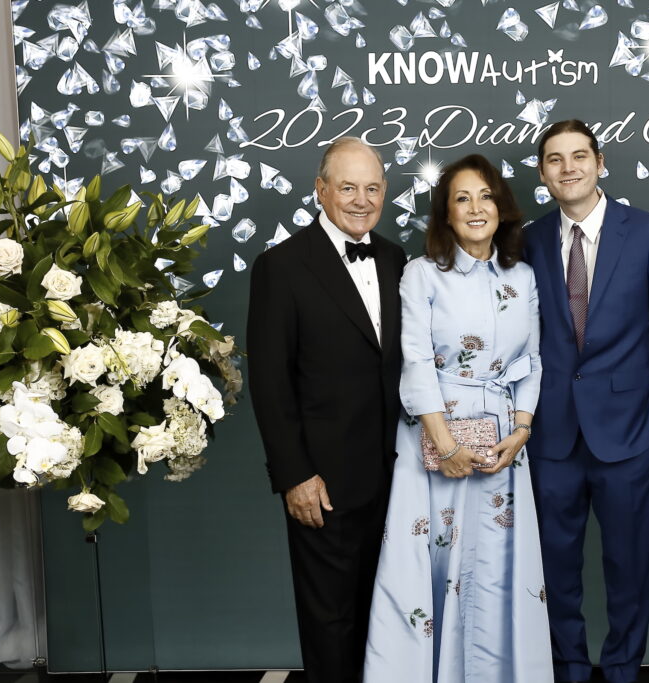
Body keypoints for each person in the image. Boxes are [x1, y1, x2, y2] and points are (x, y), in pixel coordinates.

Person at [363, 154, 553, 683]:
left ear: (501, 207)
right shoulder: (422, 275)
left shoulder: (525, 277)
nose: (475, 208)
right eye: (462, 198)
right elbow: (416, 361)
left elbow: (533, 362)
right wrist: (445, 446)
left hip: (504, 443)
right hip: (435, 439)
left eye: (485, 196)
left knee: (496, 567)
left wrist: (521, 430)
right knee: (434, 565)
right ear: (445, 214)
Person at [524, 120, 649, 683]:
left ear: (600, 163)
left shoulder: (648, 234)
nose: (567, 168)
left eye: (578, 156)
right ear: (543, 172)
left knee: (629, 566)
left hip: (631, 436)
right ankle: (568, 668)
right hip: (550, 436)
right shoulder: (527, 240)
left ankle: (622, 670)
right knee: (554, 568)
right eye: (554, 159)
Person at [246, 137, 406, 683]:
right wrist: (294, 475)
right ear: (320, 190)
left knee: (389, 616)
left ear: (384, 192)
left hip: (398, 476)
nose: (361, 200)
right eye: (347, 187)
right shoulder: (281, 266)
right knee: (330, 622)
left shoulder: (395, 257)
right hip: (325, 482)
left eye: (371, 188)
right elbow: (269, 384)